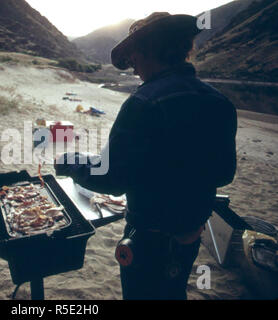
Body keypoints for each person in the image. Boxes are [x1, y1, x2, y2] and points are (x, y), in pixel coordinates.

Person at [54, 12, 237, 300]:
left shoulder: (143, 103)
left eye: (134, 57)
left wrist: (71, 162)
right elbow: (224, 173)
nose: (134, 68)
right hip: (190, 235)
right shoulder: (220, 102)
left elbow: (112, 178)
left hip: (148, 240)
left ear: (148, 52)